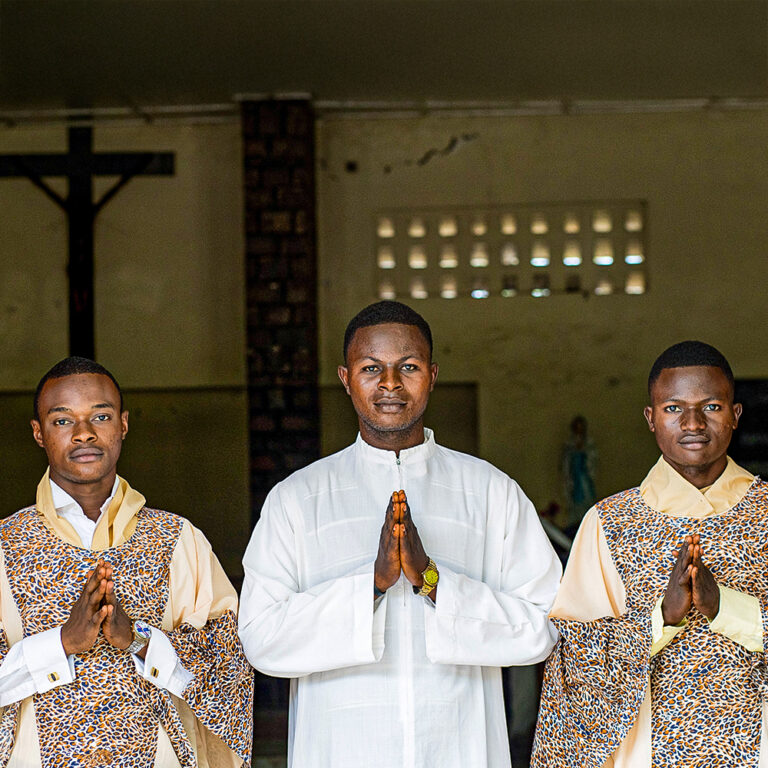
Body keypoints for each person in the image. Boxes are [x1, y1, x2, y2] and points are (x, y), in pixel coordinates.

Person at [238, 300, 561, 768]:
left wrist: (434, 583)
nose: (390, 383)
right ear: (346, 378)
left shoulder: (490, 491)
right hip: (340, 752)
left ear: (431, 375)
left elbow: (545, 624)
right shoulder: (298, 499)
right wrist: (370, 585)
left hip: (460, 749)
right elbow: (261, 639)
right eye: (371, 368)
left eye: (407, 367)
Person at [0, 357, 253, 767]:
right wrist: (61, 643)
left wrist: (137, 639)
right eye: (62, 420)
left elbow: (229, 666)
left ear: (123, 424)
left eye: (100, 416)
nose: (84, 433)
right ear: (38, 433)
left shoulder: (178, 539)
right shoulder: (5, 545)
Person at [532, 340, 767, 767]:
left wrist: (726, 609)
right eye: (673, 408)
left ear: (735, 416)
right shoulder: (609, 523)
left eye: (712, 407)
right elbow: (575, 656)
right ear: (651, 419)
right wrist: (663, 618)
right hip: (643, 752)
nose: (693, 423)